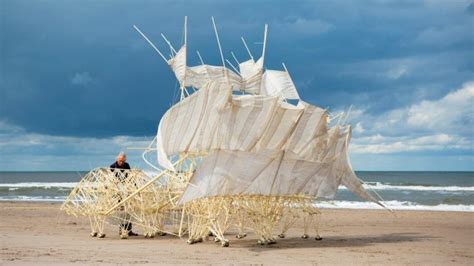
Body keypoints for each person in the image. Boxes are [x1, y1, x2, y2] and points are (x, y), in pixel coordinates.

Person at [110, 152, 138, 237]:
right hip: (118, 191)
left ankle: (129, 230)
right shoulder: (112, 167)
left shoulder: (127, 165)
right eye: (120, 161)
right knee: (121, 211)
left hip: (126, 190)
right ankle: (121, 230)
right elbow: (110, 179)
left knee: (129, 210)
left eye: (123, 161)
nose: (121, 162)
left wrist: (134, 187)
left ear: (125, 160)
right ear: (117, 159)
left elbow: (130, 177)